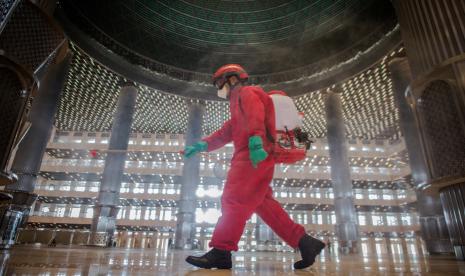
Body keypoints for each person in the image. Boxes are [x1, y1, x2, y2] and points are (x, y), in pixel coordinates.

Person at [183, 64, 325, 270]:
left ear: (232, 79)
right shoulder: (236, 105)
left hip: (251, 156)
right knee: (264, 204)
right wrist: (201, 145)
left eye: (219, 83)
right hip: (255, 155)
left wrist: (256, 141)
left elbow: (255, 115)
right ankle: (305, 242)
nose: (218, 88)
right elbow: (225, 133)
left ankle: (221, 252)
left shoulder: (247, 93)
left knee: (233, 200)